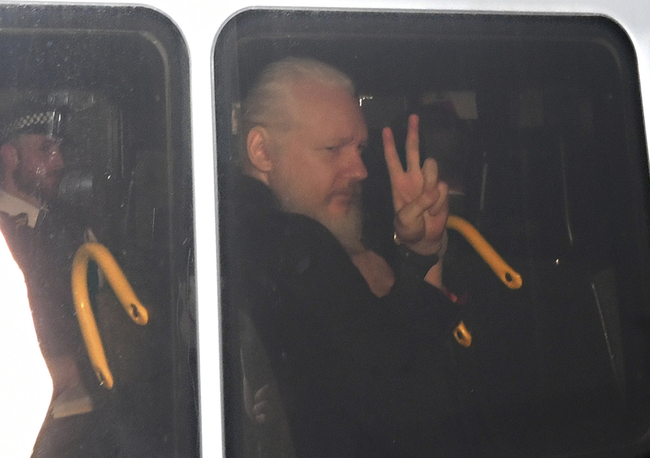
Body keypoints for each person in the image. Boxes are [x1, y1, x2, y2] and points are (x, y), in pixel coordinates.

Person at [223, 57, 483, 456]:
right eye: (332, 149)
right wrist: (416, 260)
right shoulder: (291, 243)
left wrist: (422, 250)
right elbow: (407, 398)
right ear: (261, 151)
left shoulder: (239, 228)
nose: (360, 170)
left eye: (359, 148)